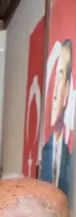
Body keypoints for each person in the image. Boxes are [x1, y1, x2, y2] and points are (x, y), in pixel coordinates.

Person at [41, 38, 72, 195]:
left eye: (59, 80)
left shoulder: (70, 161)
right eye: (52, 80)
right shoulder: (43, 154)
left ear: (66, 91)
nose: (53, 93)